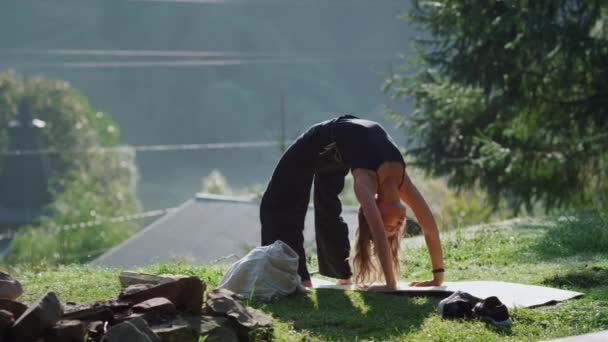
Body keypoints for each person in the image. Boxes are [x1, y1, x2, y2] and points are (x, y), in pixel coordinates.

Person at [260, 115, 444, 291]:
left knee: (316, 205)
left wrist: (435, 278)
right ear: (376, 210)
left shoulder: (364, 183)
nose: (396, 228)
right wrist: (396, 283)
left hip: (340, 146)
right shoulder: (400, 182)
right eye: (392, 229)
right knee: (278, 205)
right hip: (322, 139)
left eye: (390, 229)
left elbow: (387, 230)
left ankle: (308, 277)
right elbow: (429, 227)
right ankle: (303, 277)